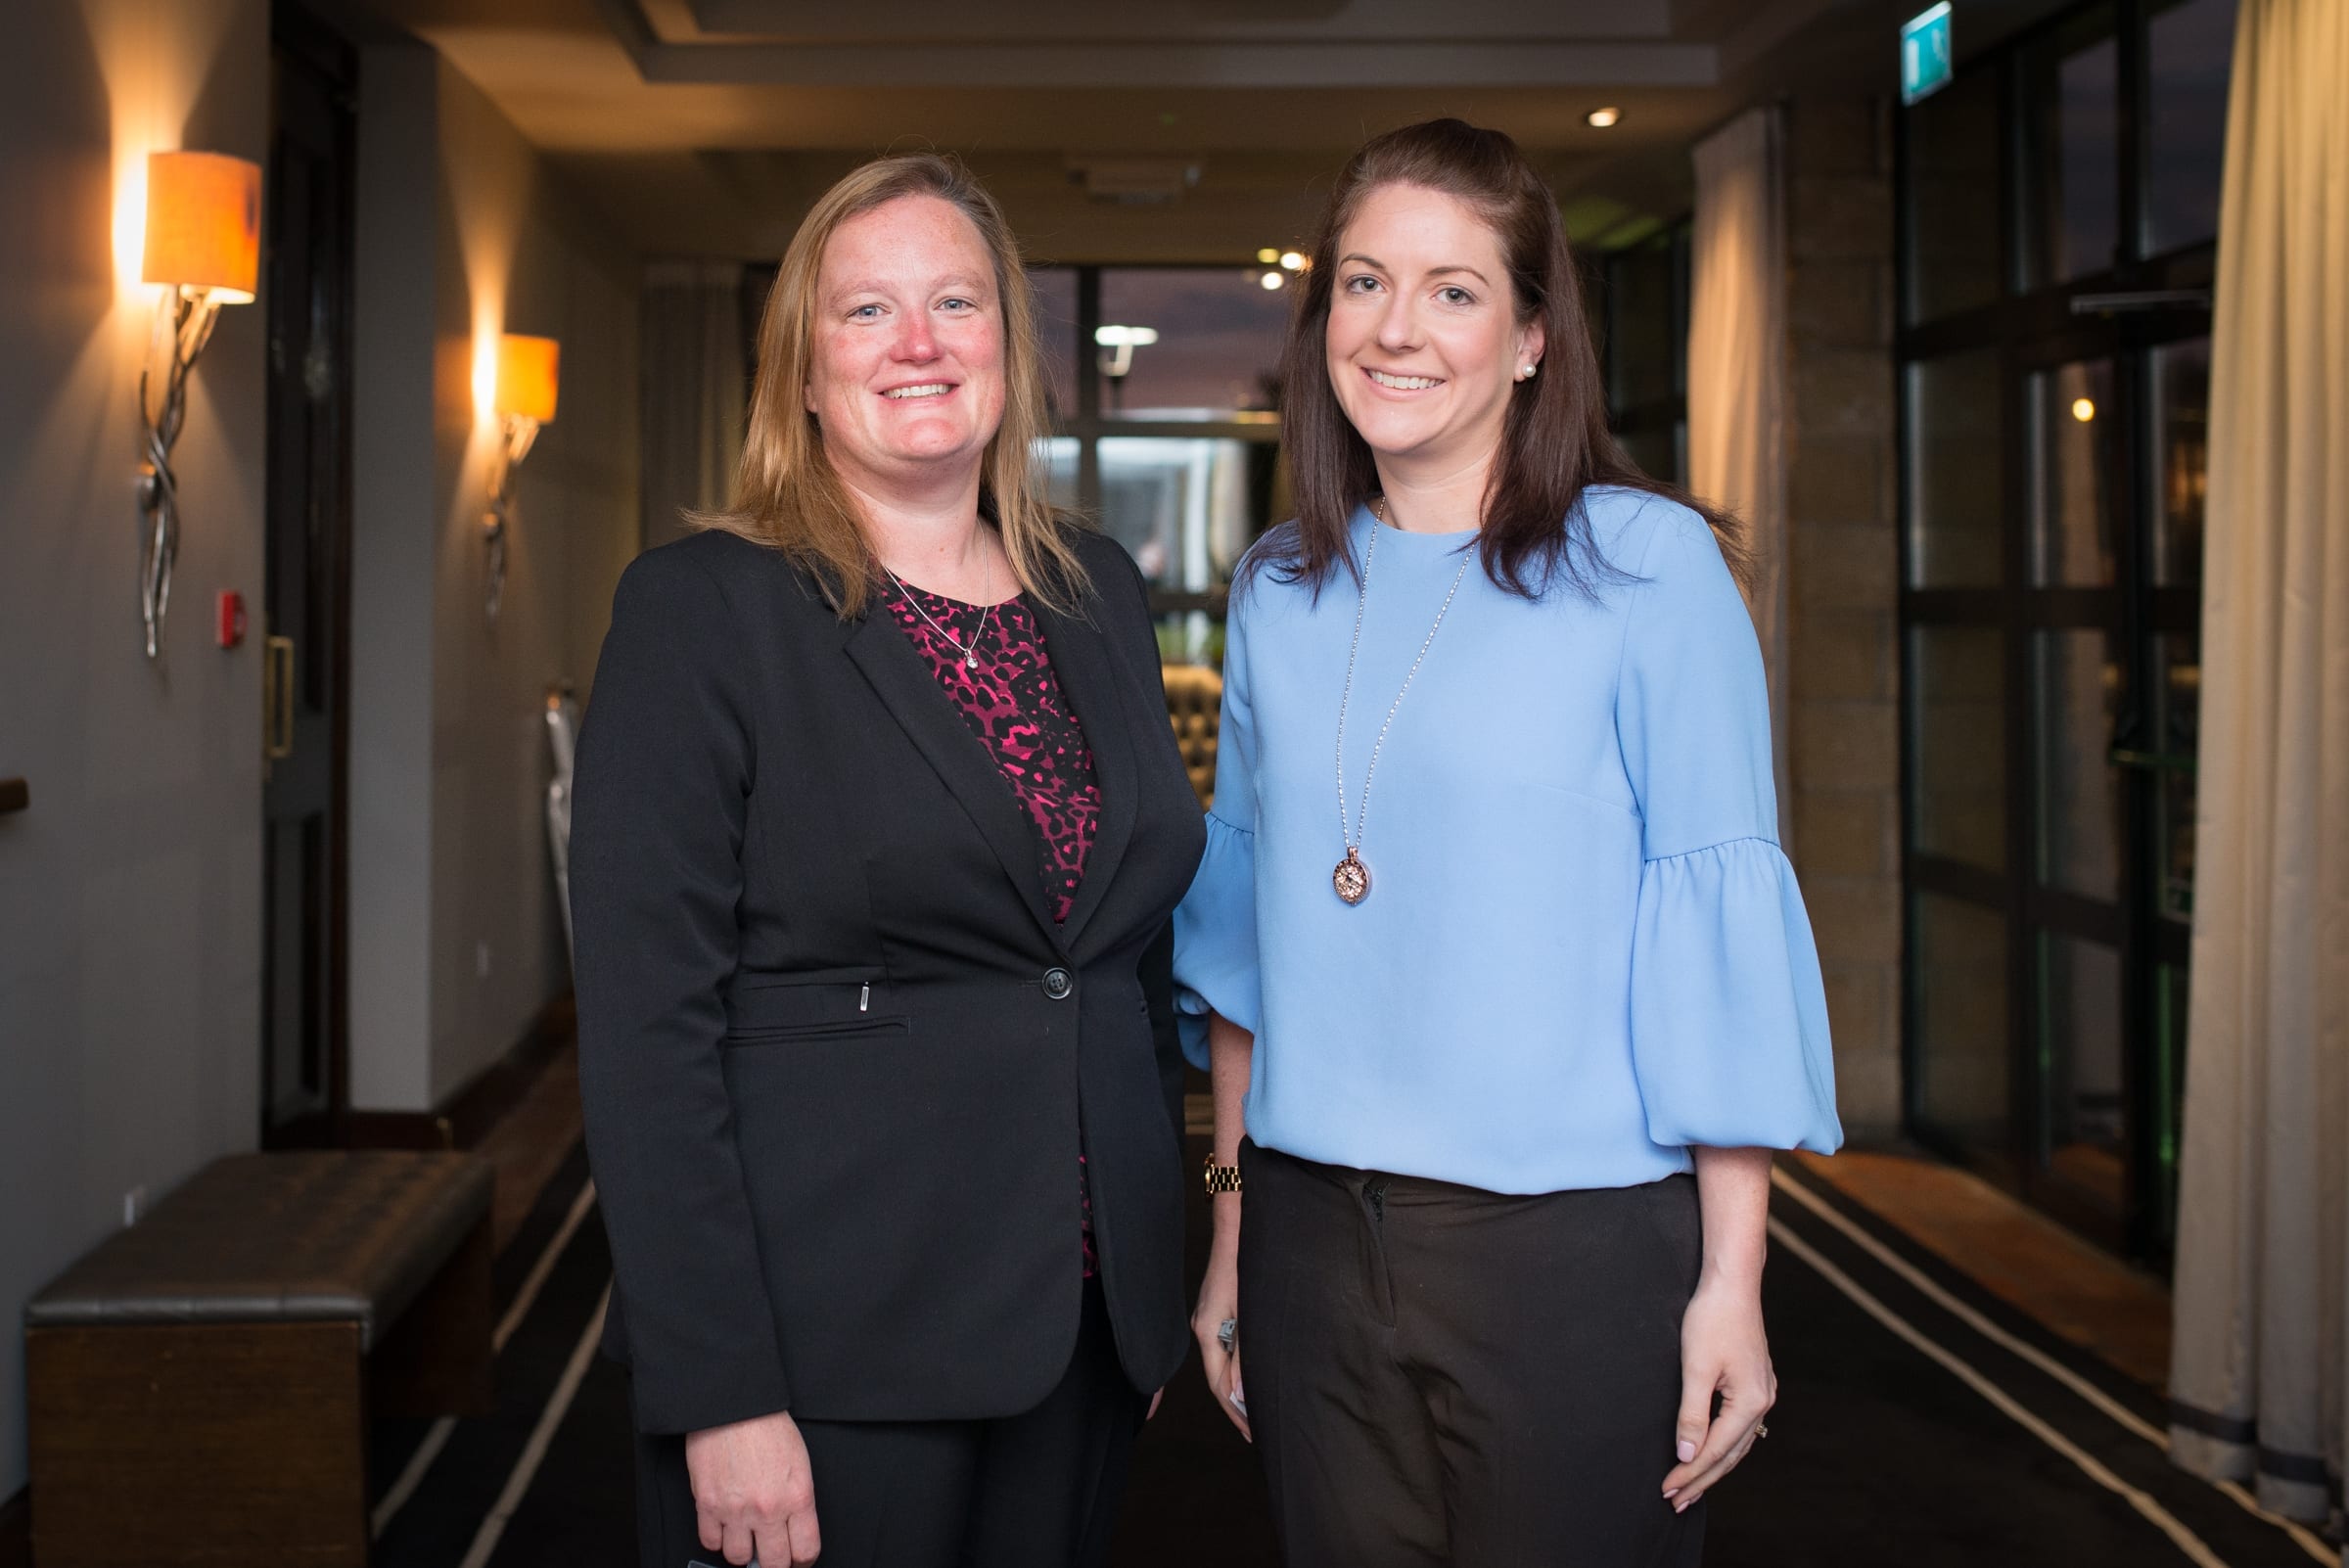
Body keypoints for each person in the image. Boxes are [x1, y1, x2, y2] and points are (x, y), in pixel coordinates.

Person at [1176, 117, 1844, 1567]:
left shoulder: (1649, 568)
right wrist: (1231, 1231)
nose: (1396, 329)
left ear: (1534, 338)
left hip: (1570, 1258)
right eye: (1363, 283)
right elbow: (1245, 954)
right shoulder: (1277, 587)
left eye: (1454, 290)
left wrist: (1733, 1278)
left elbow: (1710, 937)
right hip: (1308, 1247)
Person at [570, 153, 1206, 1568]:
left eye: (955, 302)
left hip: (1086, 1328)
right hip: (828, 1348)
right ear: (801, 369)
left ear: (1008, 349)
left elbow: (1122, 952)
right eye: (866, 312)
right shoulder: (704, 613)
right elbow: (644, 1033)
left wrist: (1160, 1259)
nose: (918, 343)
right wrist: (719, 1386)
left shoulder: (1096, 590)